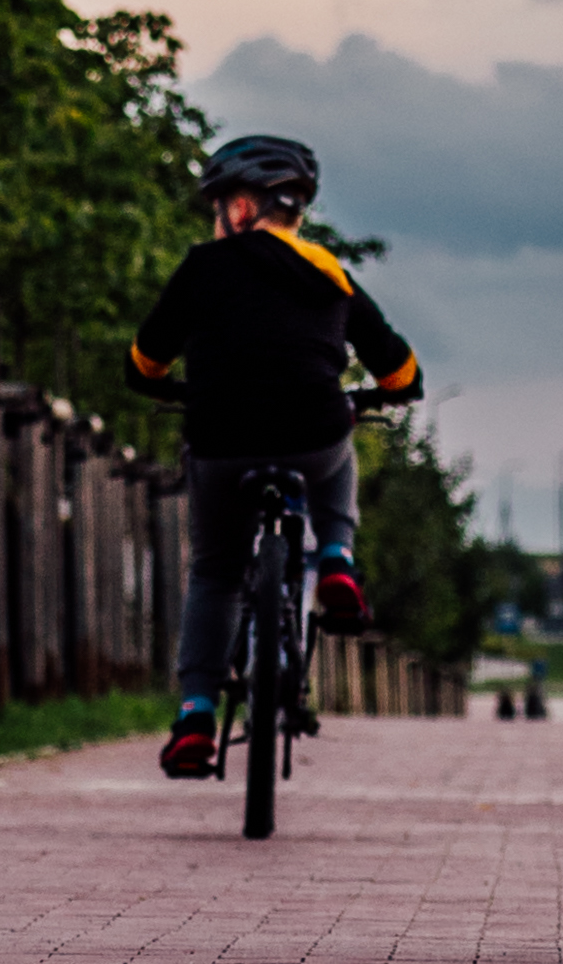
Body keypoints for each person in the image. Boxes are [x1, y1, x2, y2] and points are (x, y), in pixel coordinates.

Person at [126, 132, 420, 781]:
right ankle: (338, 559)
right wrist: (381, 394)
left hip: (221, 442)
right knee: (340, 448)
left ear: (239, 209)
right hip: (311, 436)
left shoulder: (203, 267)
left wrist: (162, 384)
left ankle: (196, 714)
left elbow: (144, 359)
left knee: (215, 572)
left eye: (217, 204)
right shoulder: (329, 272)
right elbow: (401, 371)